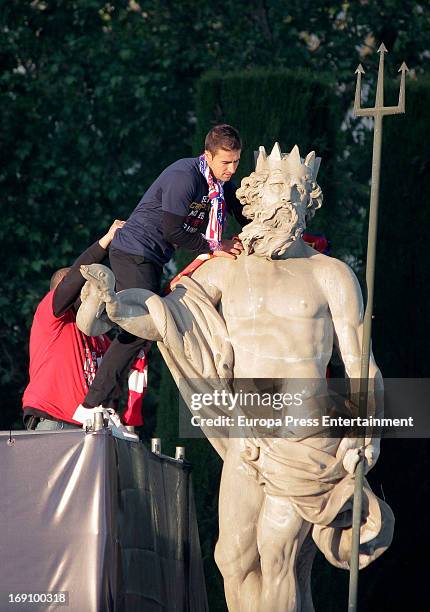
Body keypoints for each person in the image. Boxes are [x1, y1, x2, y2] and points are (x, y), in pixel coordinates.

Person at [77, 143, 393, 610]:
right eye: (269, 197)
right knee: (233, 559)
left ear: (307, 203)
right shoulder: (224, 271)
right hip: (246, 427)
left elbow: (360, 360)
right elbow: (166, 317)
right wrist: (114, 306)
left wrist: (367, 427)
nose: (279, 208)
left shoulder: (332, 274)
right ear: (252, 200)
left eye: (292, 198)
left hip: (304, 433)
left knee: (277, 555)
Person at [78, 124, 247, 414]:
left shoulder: (221, 182)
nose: (231, 169)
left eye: (236, 161)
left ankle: (105, 407)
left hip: (152, 258)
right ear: (207, 156)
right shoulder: (185, 177)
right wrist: (217, 246)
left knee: (143, 334)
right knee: (142, 327)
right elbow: (174, 233)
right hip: (133, 251)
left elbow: (242, 214)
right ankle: (91, 404)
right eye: (225, 162)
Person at [22, 220, 138, 440]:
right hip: (55, 422)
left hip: (94, 429)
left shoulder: (100, 336)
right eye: (83, 288)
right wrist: (105, 241)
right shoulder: (51, 318)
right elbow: (74, 280)